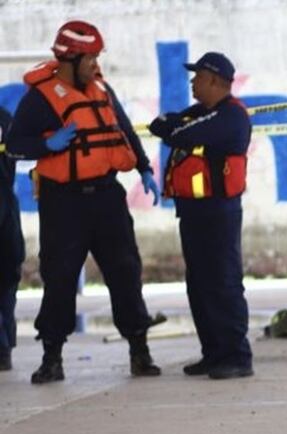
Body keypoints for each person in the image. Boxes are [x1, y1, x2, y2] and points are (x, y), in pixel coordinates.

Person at [5, 21, 161, 384]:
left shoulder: (101, 88)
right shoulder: (40, 98)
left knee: (125, 273)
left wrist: (142, 168)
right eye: (90, 57)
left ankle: (140, 351)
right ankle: (52, 358)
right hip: (64, 203)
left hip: (107, 197)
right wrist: (47, 145)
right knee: (58, 279)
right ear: (69, 58)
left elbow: (121, 129)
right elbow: (14, 145)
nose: (96, 64)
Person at [149, 52, 254, 380]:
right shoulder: (201, 114)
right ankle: (214, 353)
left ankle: (237, 356)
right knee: (199, 284)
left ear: (213, 80)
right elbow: (160, 123)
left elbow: (178, 133)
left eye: (197, 77)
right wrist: (174, 125)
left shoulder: (229, 117)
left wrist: (175, 126)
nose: (192, 83)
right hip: (193, 210)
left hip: (218, 211)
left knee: (223, 282)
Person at [0, 108, 24, 372]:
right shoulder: (5, 117)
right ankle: (4, 348)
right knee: (7, 276)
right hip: (6, 201)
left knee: (7, 275)